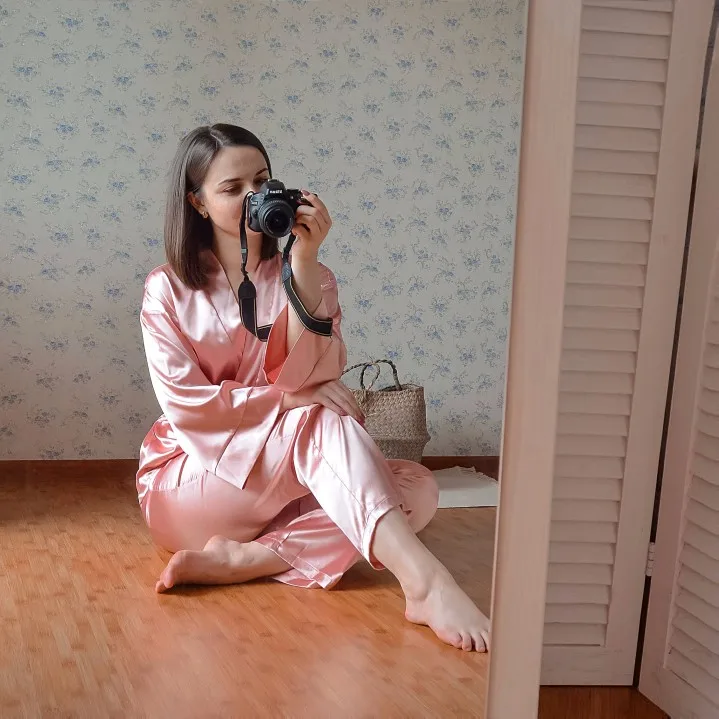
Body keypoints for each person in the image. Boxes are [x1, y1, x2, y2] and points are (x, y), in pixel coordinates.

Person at [136, 123, 490, 652]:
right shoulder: (166, 289)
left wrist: (303, 261)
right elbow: (188, 407)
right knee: (320, 426)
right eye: (232, 188)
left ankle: (251, 558)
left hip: (282, 475)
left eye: (262, 181)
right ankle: (427, 584)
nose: (254, 197)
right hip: (193, 481)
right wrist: (286, 400)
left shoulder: (311, 276)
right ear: (198, 202)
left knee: (418, 488)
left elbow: (317, 379)